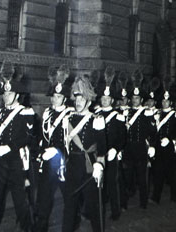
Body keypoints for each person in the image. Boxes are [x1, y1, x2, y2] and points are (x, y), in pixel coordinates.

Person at [0, 62, 34, 232]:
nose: (6, 96)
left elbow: (26, 137)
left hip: (16, 161)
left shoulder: (25, 112)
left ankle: (27, 228)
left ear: (17, 94)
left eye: (9, 93)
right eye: (4, 93)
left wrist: (9, 147)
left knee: (20, 199)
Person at [62, 74, 106, 232]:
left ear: (89, 100)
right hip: (72, 168)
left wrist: (99, 165)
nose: (78, 102)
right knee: (69, 207)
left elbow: (102, 146)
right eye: (77, 98)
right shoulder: (69, 119)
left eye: (82, 98)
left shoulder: (96, 119)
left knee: (93, 208)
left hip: (89, 168)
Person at [34, 65, 72, 232]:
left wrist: (57, 151)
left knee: (68, 195)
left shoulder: (70, 115)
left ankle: (73, 221)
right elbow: (43, 137)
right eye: (54, 96)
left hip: (63, 161)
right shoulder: (47, 113)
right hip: (47, 161)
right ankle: (40, 226)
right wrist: (41, 152)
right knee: (44, 196)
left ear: (64, 98)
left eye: (58, 97)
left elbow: (71, 141)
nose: (55, 99)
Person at [94, 67, 127, 221]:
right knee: (98, 183)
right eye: (103, 98)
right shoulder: (95, 114)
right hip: (98, 153)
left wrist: (116, 149)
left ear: (112, 100)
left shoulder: (118, 116)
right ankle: (97, 210)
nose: (105, 100)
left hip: (111, 153)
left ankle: (115, 211)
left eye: (107, 99)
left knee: (112, 183)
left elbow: (122, 137)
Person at [122, 71, 154, 209]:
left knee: (142, 177)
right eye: (133, 98)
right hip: (128, 148)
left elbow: (152, 132)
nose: (135, 100)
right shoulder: (126, 112)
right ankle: (124, 203)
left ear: (141, 100)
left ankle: (143, 202)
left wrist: (152, 146)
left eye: (137, 98)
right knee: (127, 177)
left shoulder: (146, 113)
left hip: (140, 147)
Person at [150, 85, 176, 204]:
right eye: (163, 101)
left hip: (169, 146)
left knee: (171, 172)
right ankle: (156, 197)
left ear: (170, 102)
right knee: (158, 172)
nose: (164, 103)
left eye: (166, 101)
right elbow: (154, 131)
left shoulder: (175, 114)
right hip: (159, 147)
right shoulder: (158, 113)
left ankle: (174, 195)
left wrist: (169, 138)